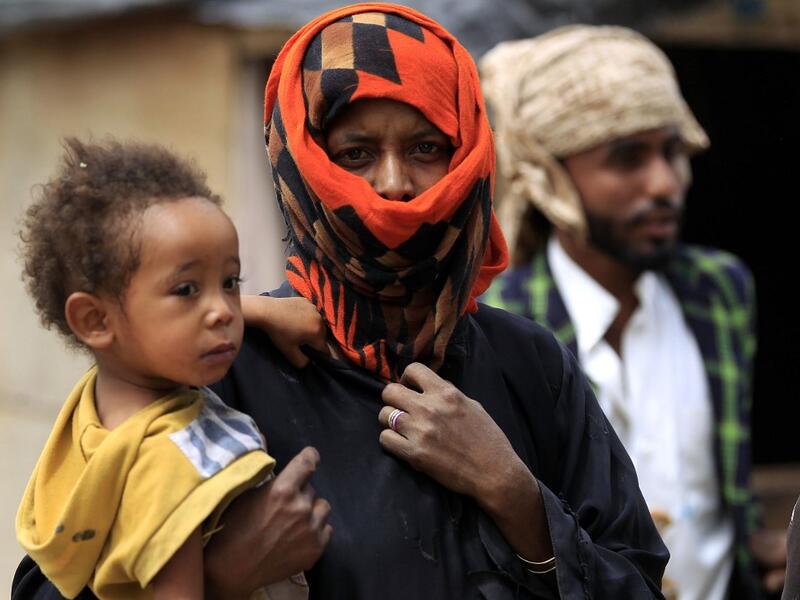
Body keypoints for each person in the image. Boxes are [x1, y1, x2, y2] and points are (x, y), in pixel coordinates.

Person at [13, 6, 668, 599]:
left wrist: (518, 499)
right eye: (355, 153)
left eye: (426, 149)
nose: (393, 184)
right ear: (298, 165)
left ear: (469, 156)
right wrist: (220, 578)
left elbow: (637, 580)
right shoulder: (216, 371)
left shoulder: (530, 367)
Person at [479, 25, 785, 600]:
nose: (666, 183)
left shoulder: (718, 292)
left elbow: (725, 494)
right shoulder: (502, 322)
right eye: (628, 159)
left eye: (673, 151)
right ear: (549, 176)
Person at [13, 138, 330, 599]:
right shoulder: (173, 464)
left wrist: (259, 311)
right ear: (96, 320)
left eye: (229, 282)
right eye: (186, 290)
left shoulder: (103, 401)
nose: (222, 310)